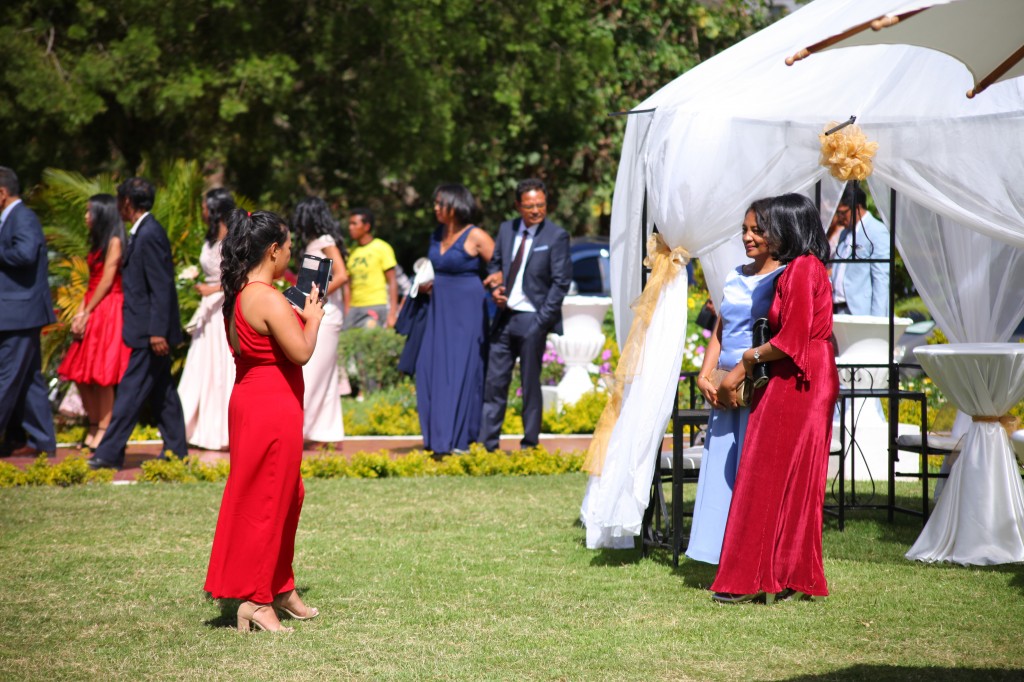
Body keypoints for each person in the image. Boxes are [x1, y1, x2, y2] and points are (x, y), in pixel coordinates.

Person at [710, 193, 839, 603]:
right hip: (807, 375)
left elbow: (791, 339)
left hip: (797, 378)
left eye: (764, 228)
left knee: (761, 477)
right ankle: (787, 575)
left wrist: (747, 359)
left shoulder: (802, 269)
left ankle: (746, 579)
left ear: (788, 228)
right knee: (794, 481)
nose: (757, 237)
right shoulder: (805, 268)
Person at [204, 209, 324, 632]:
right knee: (269, 500)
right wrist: (313, 319)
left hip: (253, 399)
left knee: (287, 493)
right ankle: (256, 600)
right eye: (288, 246)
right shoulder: (267, 297)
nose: (291, 252)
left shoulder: (239, 292)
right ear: (273, 249)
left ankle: (280, 585)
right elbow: (302, 352)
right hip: (271, 404)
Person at [687, 200, 783, 564]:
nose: (748, 237)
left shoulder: (782, 278)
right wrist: (704, 375)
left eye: (757, 230)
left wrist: (736, 378)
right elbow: (721, 329)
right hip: (722, 389)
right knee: (720, 472)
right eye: (745, 229)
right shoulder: (734, 274)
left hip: (756, 388)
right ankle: (717, 553)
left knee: (749, 472)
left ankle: (750, 556)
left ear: (776, 232)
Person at [88, 178, 188, 469]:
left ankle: (108, 453)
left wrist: (157, 331)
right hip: (145, 329)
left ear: (128, 203)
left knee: (131, 393)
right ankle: (177, 452)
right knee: (163, 393)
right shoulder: (142, 231)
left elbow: (161, 286)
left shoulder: (149, 233)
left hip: (149, 333)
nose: (118, 206)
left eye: (120, 201)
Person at [479, 178, 572, 451]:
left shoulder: (556, 236)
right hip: (504, 317)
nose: (535, 211)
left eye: (540, 205)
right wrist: (495, 287)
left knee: (530, 384)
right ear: (518, 206)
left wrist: (541, 322)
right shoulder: (506, 230)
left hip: (533, 319)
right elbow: (494, 264)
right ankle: (487, 445)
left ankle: (529, 444)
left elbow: (561, 283)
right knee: (494, 382)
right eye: (530, 205)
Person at [414, 184, 494, 454]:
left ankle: (459, 440)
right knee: (429, 369)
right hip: (438, 307)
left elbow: (503, 266)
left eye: (440, 203)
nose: (435, 207)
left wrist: (496, 282)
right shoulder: (437, 234)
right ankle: (436, 439)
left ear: (455, 204)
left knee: (460, 369)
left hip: (468, 307)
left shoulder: (476, 235)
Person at [57, 194, 132, 449]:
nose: (86, 216)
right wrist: (80, 312)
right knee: (80, 372)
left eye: (90, 212)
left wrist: (86, 310)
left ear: (103, 214)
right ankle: (93, 423)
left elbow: (107, 281)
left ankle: (104, 429)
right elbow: (92, 283)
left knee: (101, 374)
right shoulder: (98, 243)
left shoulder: (115, 241)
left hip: (109, 307)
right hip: (92, 303)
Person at [0, 166, 57, 457]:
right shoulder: (9, 219)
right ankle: (43, 441)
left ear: (2, 193)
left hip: (19, 315)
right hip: (15, 314)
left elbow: (25, 254)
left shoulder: (22, 217)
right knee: (30, 379)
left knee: (7, 377)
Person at [176, 188, 237, 450]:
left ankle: (223, 431)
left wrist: (213, 289)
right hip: (207, 310)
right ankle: (194, 428)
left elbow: (240, 276)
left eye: (204, 206)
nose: (201, 211)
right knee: (202, 365)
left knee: (222, 368)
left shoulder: (234, 240)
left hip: (224, 305)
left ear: (215, 209)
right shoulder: (210, 238)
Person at [292, 196, 349, 445]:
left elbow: (343, 275)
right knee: (320, 376)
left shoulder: (325, 241)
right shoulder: (315, 242)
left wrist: (318, 298)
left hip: (324, 314)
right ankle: (321, 432)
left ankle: (307, 431)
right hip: (316, 311)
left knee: (315, 374)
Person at [831, 182, 889, 317]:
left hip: (860, 311)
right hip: (837, 307)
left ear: (857, 208)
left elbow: (881, 277)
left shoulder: (876, 231)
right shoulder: (844, 233)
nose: (839, 218)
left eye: (842, 213)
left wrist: (877, 319)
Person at [343, 208, 398, 329]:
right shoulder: (351, 252)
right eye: (349, 224)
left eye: (354, 224)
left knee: (367, 345)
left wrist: (393, 312)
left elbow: (392, 280)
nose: (350, 227)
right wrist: (347, 309)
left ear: (366, 226)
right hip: (354, 308)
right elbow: (347, 284)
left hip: (376, 305)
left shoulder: (382, 247)